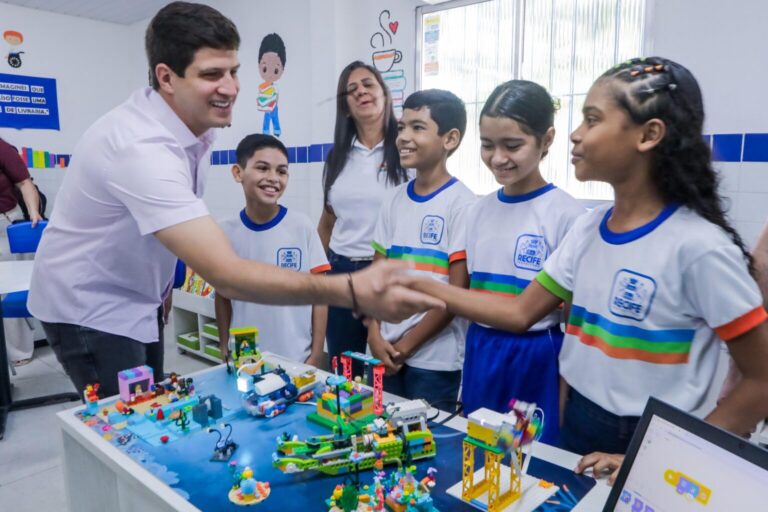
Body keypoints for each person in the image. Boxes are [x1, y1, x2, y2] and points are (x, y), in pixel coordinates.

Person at [26, 2, 440, 399]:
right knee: (125, 426)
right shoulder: (140, 147)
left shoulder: (195, 128)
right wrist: (350, 288)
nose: (230, 88)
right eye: (212, 74)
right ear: (167, 78)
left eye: (234, 71)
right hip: (91, 307)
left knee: (148, 408)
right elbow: (226, 277)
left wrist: (162, 284)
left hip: (139, 299)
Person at [400, 57, 768, 462]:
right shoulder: (589, 228)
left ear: (649, 134)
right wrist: (419, 285)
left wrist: (653, 459)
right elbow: (520, 312)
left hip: (652, 435)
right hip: (578, 419)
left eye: (592, 120)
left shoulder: (700, 246)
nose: (576, 134)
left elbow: (761, 381)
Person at [461, 80, 584, 444]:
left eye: (512, 145)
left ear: (547, 140)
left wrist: (564, 389)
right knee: (479, 445)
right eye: (487, 145)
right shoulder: (477, 211)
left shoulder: (567, 215)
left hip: (536, 354)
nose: (498, 158)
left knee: (530, 454)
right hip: (482, 348)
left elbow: (573, 321)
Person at [368, 89, 476, 406]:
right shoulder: (393, 199)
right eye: (402, 127)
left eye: (418, 127)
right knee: (378, 430)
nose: (403, 137)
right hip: (382, 348)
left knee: (427, 435)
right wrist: (373, 334)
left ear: (450, 139)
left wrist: (405, 347)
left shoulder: (463, 204)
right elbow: (375, 278)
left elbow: (456, 295)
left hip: (434, 360)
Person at [318, 61, 410, 369]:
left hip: (390, 273)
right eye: (351, 90)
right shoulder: (337, 157)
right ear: (345, 107)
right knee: (344, 369)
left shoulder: (405, 149)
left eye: (368, 84)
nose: (361, 92)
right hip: (342, 273)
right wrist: (316, 276)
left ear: (384, 93)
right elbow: (328, 221)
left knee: (391, 365)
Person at [215, 134, 328, 368]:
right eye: (262, 168)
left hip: (296, 355)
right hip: (246, 355)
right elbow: (222, 295)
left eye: (281, 171)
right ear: (238, 172)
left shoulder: (301, 226)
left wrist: (317, 353)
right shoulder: (225, 231)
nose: (273, 178)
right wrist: (224, 344)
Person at [0, 137, 42, 366]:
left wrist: (34, 212)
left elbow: (25, 183)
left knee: (9, 288)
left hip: (5, 223)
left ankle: (18, 352)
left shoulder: (2, 147)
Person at [257, 33, 285, 137]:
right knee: (267, 117)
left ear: (282, 69)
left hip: (273, 105)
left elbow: (276, 96)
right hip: (267, 105)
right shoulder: (263, 86)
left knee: (274, 117)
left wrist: (274, 103)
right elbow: (260, 96)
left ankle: (276, 130)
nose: (269, 74)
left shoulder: (274, 87)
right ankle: (266, 131)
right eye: (265, 69)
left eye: (275, 70)